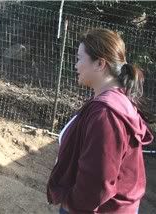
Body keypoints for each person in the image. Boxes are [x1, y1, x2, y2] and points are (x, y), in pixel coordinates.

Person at [47, 28, 154, 213]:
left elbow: (97, 180)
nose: (76, 65)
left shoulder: (106, 113)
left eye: (80, 58)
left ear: (100, 63)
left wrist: (71, 205)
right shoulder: (116, 101)